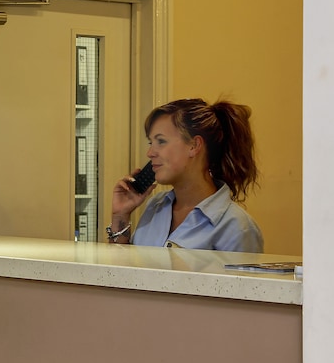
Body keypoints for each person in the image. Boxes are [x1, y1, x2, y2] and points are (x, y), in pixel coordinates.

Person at [107, 97, 263, 252]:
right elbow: (123, 267)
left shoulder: (237, 228)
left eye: (161, 141)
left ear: (194, 145)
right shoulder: (155, 206)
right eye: (151, 143)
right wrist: (120, 215)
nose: (150, 153)